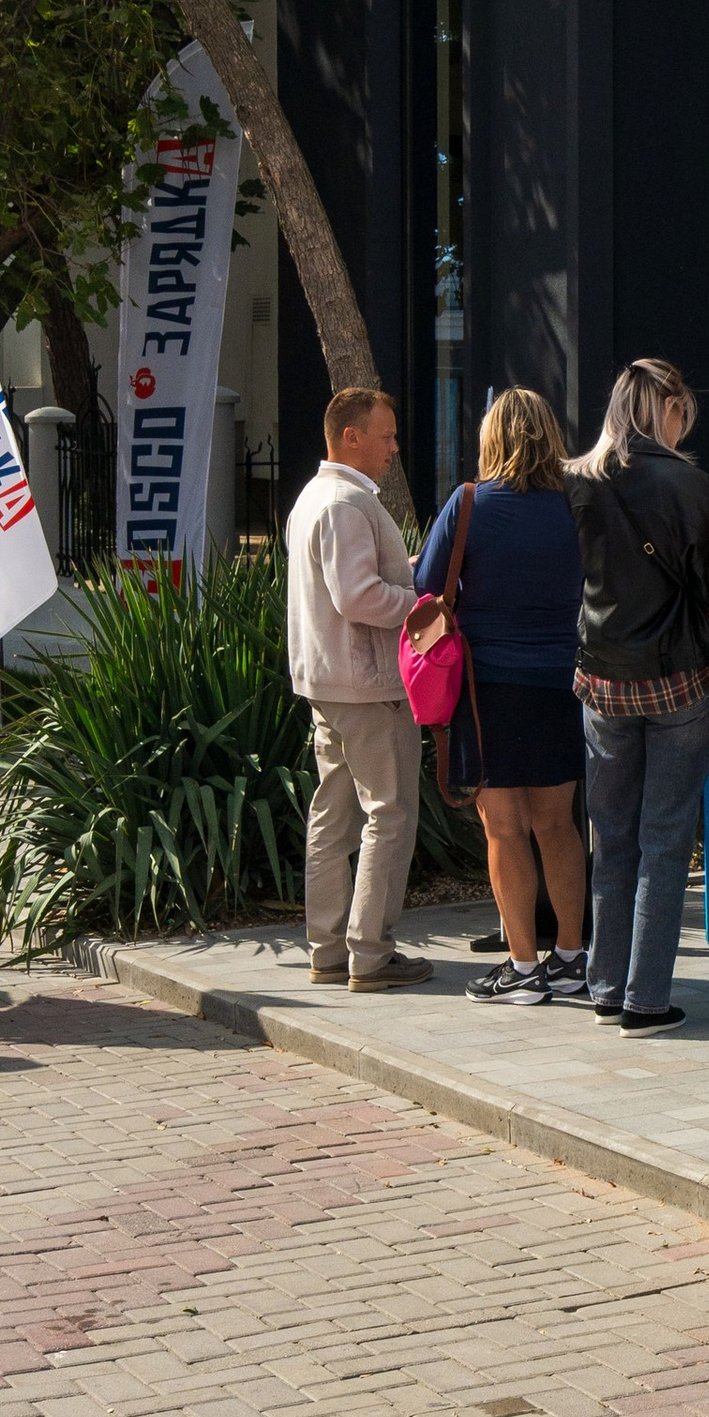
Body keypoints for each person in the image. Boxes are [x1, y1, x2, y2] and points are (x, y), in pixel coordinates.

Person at [570, 357, 709, 1032]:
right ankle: (644, 996)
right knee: (664, 838)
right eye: (681, 412)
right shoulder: (690, 484)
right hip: (677, 677)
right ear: (666, 409)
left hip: (601, 676)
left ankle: (605, 986)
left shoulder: (576, 481)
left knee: (610, 835)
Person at [415, 387, 589, 1010]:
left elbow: (427, 585)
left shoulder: (470, 504)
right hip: (563, 683)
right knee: (559, 825)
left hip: (486, 688)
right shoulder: (576, 504)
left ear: (492, 438)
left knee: (504, 828)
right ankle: (571, 957)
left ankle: (521, 967)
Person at [285, 388, 429, 991]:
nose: (395, 447)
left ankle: (328, 950)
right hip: (367, 686)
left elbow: (355, 587)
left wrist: (409, 578)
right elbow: (358, 595)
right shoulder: (345, 502)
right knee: (388, 815)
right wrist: (423, 605)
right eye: (387, 435)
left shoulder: (316, 497)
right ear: (351, 437)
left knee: (334, 816)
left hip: (328, 681)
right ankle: (369, 954)